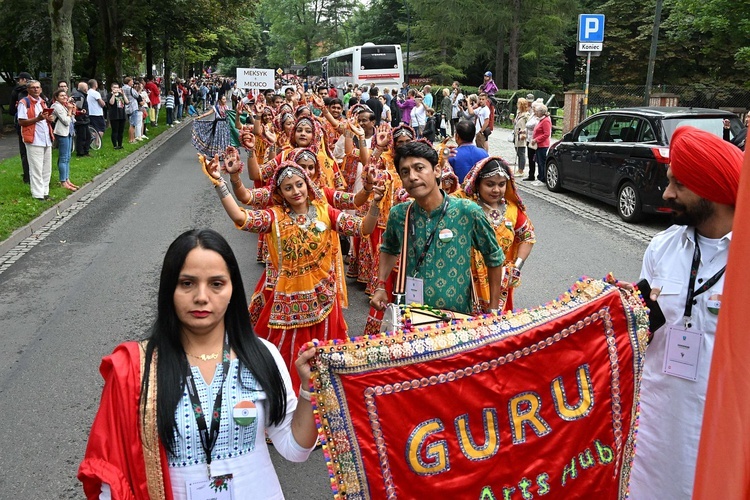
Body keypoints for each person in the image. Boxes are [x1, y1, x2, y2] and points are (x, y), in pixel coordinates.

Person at [78, 229, 318, 498]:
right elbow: (112, 475)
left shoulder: (262, 355)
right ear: (169, 289)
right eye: (187, 283)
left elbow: (295, 449)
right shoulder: (136, 369)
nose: (201, 297)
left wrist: (309, 391)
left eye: (216, 284)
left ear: (232, 290)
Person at [627, 126, 743, 498]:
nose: (667, 193)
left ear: (711, 189)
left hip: (722, 428)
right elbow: (639, 330)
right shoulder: (661, 248)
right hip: (656, 427)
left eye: (679, 184)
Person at [202, 158, 377, 389]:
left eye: (299, 184)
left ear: (307, 183)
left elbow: (364, 228)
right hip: (289, 304)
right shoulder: (274, 217)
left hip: (324, 299)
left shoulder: (326, 211)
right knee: (287, 362)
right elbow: (241, 217)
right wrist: (219, 183)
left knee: (325, 360)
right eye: (288, 187)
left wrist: (375, 202)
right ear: (280, 192)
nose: (296, 191)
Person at [370, 141, 504, 315]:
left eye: (419, 168)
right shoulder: (399, 214)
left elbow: (493, 256)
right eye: (405, 172)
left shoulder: (467, 212)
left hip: (456, 320)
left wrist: (493, 309)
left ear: (437, 171)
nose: (412, 177)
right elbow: (389, 249)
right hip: (410, 317)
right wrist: (380, 285)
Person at [459, 157, 535, 311]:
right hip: (468, 280)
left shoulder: (513, 210)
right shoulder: (465, 207)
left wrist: (516, 266)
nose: (496, 190)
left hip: (501, 280)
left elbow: (527, 236)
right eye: (490, 184)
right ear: (477, 183)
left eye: (501, 185)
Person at [17, 80, 55, 200]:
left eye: (38, 87)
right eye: (33, 88)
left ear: (41, 89)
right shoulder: (24, 102)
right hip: (34, 139)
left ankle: (45, 192)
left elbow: (45, 119)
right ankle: (38, 194)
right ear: (28, 90)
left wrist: (49, 118)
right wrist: (37, 119)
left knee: (46, 167)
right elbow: (21, 121)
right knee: (36, 167)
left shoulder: (42, 102)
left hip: (46, 138)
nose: (36, 90)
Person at [51, 88, 78, 191]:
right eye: (61, 96)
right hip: (62, 133)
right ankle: (63, 181)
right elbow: (66, 121)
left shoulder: (64, 106)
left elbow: (72, 120)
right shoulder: (56, 106)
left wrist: (73, 111)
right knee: (63, 157)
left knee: (68, 157)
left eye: (65, 95)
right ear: (56, 98)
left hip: (69, 132)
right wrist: (70, 111)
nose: (65, 97)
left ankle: (67, 179)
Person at [9, 71, 32, 183]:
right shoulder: (35, 92)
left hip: (21, 125)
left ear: (23, 80)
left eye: (19, 79)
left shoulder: (16, 92)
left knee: (24, 151)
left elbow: (11, 110)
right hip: (36, 124)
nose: (18, 82)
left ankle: (27, 177)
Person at [192, 94, 231, 159]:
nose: (225, 101)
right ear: (220, 100)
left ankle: (224, 153)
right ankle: (218, 153)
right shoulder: (216, 108)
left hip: (225, 125)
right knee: (218, 138)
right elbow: (208, 113)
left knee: (225, 138)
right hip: (218, 125)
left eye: (225, 99)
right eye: (223, 99)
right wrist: (199, 117)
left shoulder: (227, 107)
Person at [531, 103, 551, 186]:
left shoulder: (546, 120)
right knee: (539, 161)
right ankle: (539, 177)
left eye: (537, 111)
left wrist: (536, 139)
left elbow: (546, 134)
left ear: (541, 112)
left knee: (542, 162)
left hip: (543, 145)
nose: (536, 113)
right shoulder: (541, 120)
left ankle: (542, 179)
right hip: (539, 145)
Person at [72, 81, 91, 157]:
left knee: (87, 136)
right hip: (81, 120)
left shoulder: (79, 95)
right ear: (85, 89)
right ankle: (80, 152)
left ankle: (85, 151)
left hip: (83, 120)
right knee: (82, 137)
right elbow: (77, 108)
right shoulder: (80, 96)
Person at [523, 101, 541, 182]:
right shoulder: (532, 115)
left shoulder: (537, 117)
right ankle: (531, 174)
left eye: (534, 108)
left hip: (534, 140)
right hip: (529, 139)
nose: (533, 109)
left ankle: (538, 175)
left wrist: (527, 126)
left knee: (536, 158)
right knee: (530, 158)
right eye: (533, 107)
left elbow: (532, 125)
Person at [108, 82, 129, 150]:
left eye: (117, 87)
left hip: (122, 114)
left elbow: (127, 102)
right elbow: (111, 102)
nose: (116, 89)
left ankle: (120, 144)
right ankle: (115, 145)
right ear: (112, 88)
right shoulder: (109, 95)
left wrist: (123, 94)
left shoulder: (120, 94)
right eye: (114, 87)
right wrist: (113, 94)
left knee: (121, 131)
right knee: (115, 131)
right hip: (114, 115)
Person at [513, 98, 531, 176]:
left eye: (518, 103)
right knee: (518, 152)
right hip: (516, 134)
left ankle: (521, 170)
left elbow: (530, 126)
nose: (517, 105)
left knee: (521, 152)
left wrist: (525, 132)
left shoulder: (526, 115)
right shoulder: (518, 113)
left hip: (522, 135)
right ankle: (519, 169)